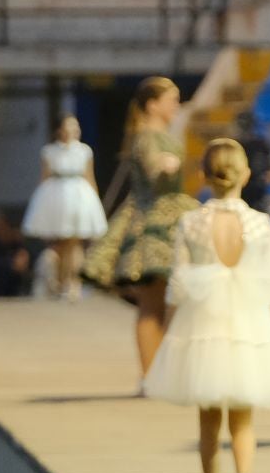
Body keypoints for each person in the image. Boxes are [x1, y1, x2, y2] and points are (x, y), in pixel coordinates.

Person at [143, 139, 270, 473]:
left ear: (203, 175)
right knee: (243, 420)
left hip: (204, 328)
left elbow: (178, 285)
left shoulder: (192, 222)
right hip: (249, 327)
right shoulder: (259, 224)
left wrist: (168, 330)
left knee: (208, 424)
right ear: (245, 174)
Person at [83, 76, 199, 376]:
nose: (176, 105)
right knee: (152, 303)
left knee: (166, 302)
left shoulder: (159, 133)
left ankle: (164, 372)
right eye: (170, 99)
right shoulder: (146, 137)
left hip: (170, 215)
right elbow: (152, 172)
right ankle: (151, 375)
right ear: (153, 105)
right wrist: (163, 167)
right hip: (153, 224)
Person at [20, 115, 108, 302]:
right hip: (56, 197)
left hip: (78, 196)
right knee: (60, 244)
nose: (74, 130)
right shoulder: (49, 151)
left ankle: (73, 283)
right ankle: (60, 281)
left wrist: (95, 201)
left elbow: (89, 176)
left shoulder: (84, 151)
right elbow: (44, 177)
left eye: (76, 126)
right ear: (60, 129)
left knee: (74, 242)